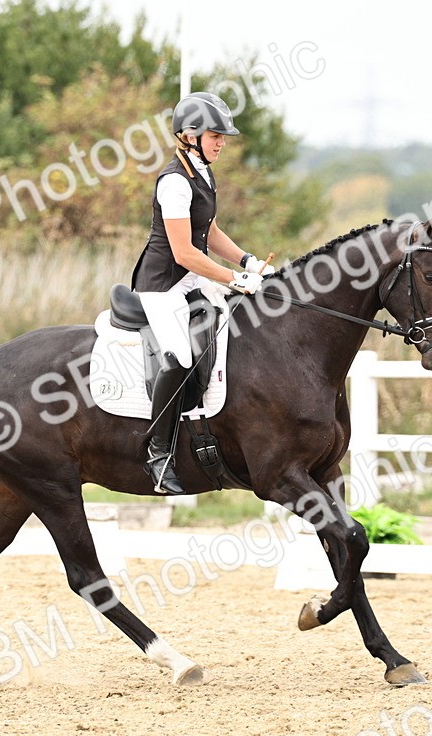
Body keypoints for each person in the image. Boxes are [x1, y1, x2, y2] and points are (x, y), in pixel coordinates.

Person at [129, 91, 271, 495]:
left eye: (223, 135)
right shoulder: (174, 182)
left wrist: (247, 261)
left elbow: (208, 231)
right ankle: (157, 454)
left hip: (190, 280)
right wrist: (232, 279)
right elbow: (184, 251)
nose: (222, 142)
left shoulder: (203, 173)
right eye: (215, 135)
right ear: (189, 135)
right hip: (162, 286)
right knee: (180, 356)